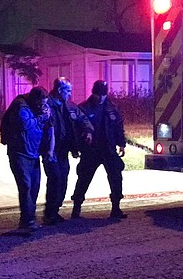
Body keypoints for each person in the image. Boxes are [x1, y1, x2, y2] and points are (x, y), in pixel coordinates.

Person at [70, 80, 128, 220]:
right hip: (91, 150)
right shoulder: (84, 108)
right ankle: (76, 208)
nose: (101, 97)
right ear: (93, 93)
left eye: (103, 94)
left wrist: (121, 143)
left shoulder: (111, 107)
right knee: (84, 178)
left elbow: (118, 126)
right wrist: (75, 147)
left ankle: (116, 208)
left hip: (108, 148)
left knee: (115, 177)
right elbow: (75, 130)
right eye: (98, 94)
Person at [41, 77, 94, 226]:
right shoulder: (47, 106)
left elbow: (82, 118)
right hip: (51, 151)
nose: (70, 94)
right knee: (55, 179)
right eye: (68, 91)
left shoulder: (69, 106)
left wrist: (88, 131)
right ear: (59, 90)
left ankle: (55, 211)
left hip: (64, 150)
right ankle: (49, 213)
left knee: (63, 180)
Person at [5, 86, 55, 234]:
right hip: (19, 153)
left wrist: (49, 150)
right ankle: (27, 221)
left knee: (34, 187)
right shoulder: (20, 105)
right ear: (34, 100)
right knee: (26, 186)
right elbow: (25, 124)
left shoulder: (41, 107)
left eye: (44, 103)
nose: (43, 106)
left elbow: (50, 128)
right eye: (40, 103)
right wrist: (41, 116)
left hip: (34, 153)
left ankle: (29, 219)